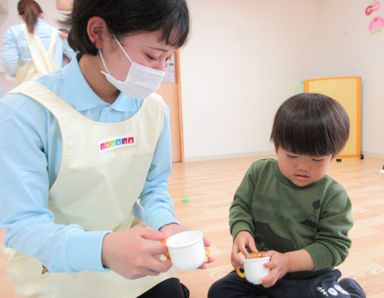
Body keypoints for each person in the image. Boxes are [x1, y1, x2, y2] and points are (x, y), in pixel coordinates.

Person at [0, 0, 212, 297]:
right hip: (55, 265)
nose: (160, 71)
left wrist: (168, 226)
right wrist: (104, 249)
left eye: (168, 60)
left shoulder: (153, 110)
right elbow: (24, 226)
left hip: (131, 251)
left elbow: (153, 188)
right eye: (152, 55)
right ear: (98, 32)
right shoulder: (24, 113)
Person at [208, 93, 366, 298]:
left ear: (333, 156)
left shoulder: (334, 195)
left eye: (317, 159)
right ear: (276, 146)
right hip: (260, 271)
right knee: (219, 292)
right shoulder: (259, 172)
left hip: (307, 278)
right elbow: (241, 206)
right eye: (292, 155)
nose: (303, 167)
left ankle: (348, 290)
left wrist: (288, 262)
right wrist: (241, 231)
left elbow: (334, 247)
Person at [1, 0, 76, 86]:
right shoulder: (58, 34)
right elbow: (74, 57)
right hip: (53, 88)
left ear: (20, 16)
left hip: (27, 89)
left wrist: (14, 74)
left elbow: (9, 64)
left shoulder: (14, 32)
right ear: (42, 14)